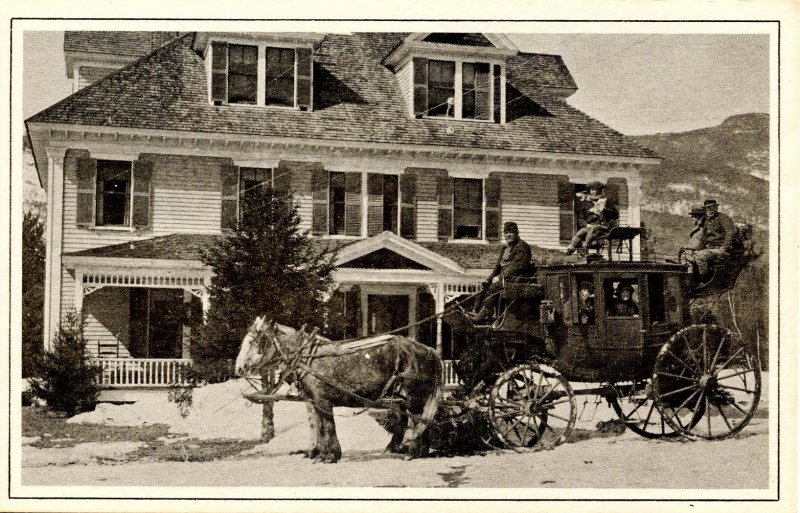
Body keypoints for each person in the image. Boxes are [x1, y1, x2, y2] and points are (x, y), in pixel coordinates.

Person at [469, 222, 532, 323]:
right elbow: (497, 268)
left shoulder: (522, 247)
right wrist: (488, 279)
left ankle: (485, 314)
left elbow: (516, 267)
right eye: (506, 232)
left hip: (516, 279)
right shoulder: (505, 248)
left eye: (511, 232)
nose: (508, 235)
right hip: (505, 279)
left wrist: (500, 277)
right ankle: (475, 311)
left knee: (494, 287)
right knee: (484, 286)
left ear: (517, 233)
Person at [686, 199, 736, 277]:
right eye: (707, 208)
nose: (710, 209)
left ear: (716, 208)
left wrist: (723, 248)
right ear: (705, 210)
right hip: (710, 249)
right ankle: (693, 278)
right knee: (690, 256)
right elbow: (703, 239)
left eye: (712, 207)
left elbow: (730, 232)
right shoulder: (707, 221)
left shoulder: (723, 218)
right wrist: (697, 250)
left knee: (701, 256)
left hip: (720, 249)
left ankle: (704, 278)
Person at [566, 181, 612, 255]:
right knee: (580, 233)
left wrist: (604, 209)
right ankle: (569, 251)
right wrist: (586, 225)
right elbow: (581, 218)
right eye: (592, 190)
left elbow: (614, 214)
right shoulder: (586, 203)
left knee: (593, 229)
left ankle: (585, 247)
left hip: (602, 227)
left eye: (596, 190)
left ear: (599, 190)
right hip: (589, 226)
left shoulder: (605, 201)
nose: (594, 192)